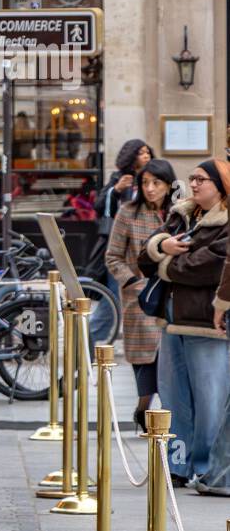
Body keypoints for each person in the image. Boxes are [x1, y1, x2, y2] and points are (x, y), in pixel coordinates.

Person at [137, 159, 230, 488]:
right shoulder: (181, 214)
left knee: (210, 400)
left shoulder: (225, 222)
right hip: (171, 318)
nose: (193, 184)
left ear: (220, 185)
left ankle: (207, 467)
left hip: (207, 324)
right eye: (191, 178)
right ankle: (176, 464)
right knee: (173, 397)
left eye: (201, 179)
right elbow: (142, 257)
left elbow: (210, 267)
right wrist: (161, 246)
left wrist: (166, 263)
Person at [104, 158, 174, 429]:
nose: (150, 189)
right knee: (145, 358)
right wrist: (133, 281)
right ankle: (143, 409)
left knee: (168, 357)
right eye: (145, 183)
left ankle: (165, 416)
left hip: (171, 296)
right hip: (141, 298)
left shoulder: (178, 213)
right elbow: (113, 257)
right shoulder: (127, 212)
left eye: (156, 183)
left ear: (168, 184)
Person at [89, 140, 153, 341]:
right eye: (141, 153)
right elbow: (100, 206)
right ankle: (88, 340)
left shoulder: (153, 179)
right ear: (131, 156)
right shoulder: (120, 178)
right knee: (114, 297)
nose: (146, 156)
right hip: (121, 248)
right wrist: (116, 189)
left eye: (147, 152)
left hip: (145, 247)